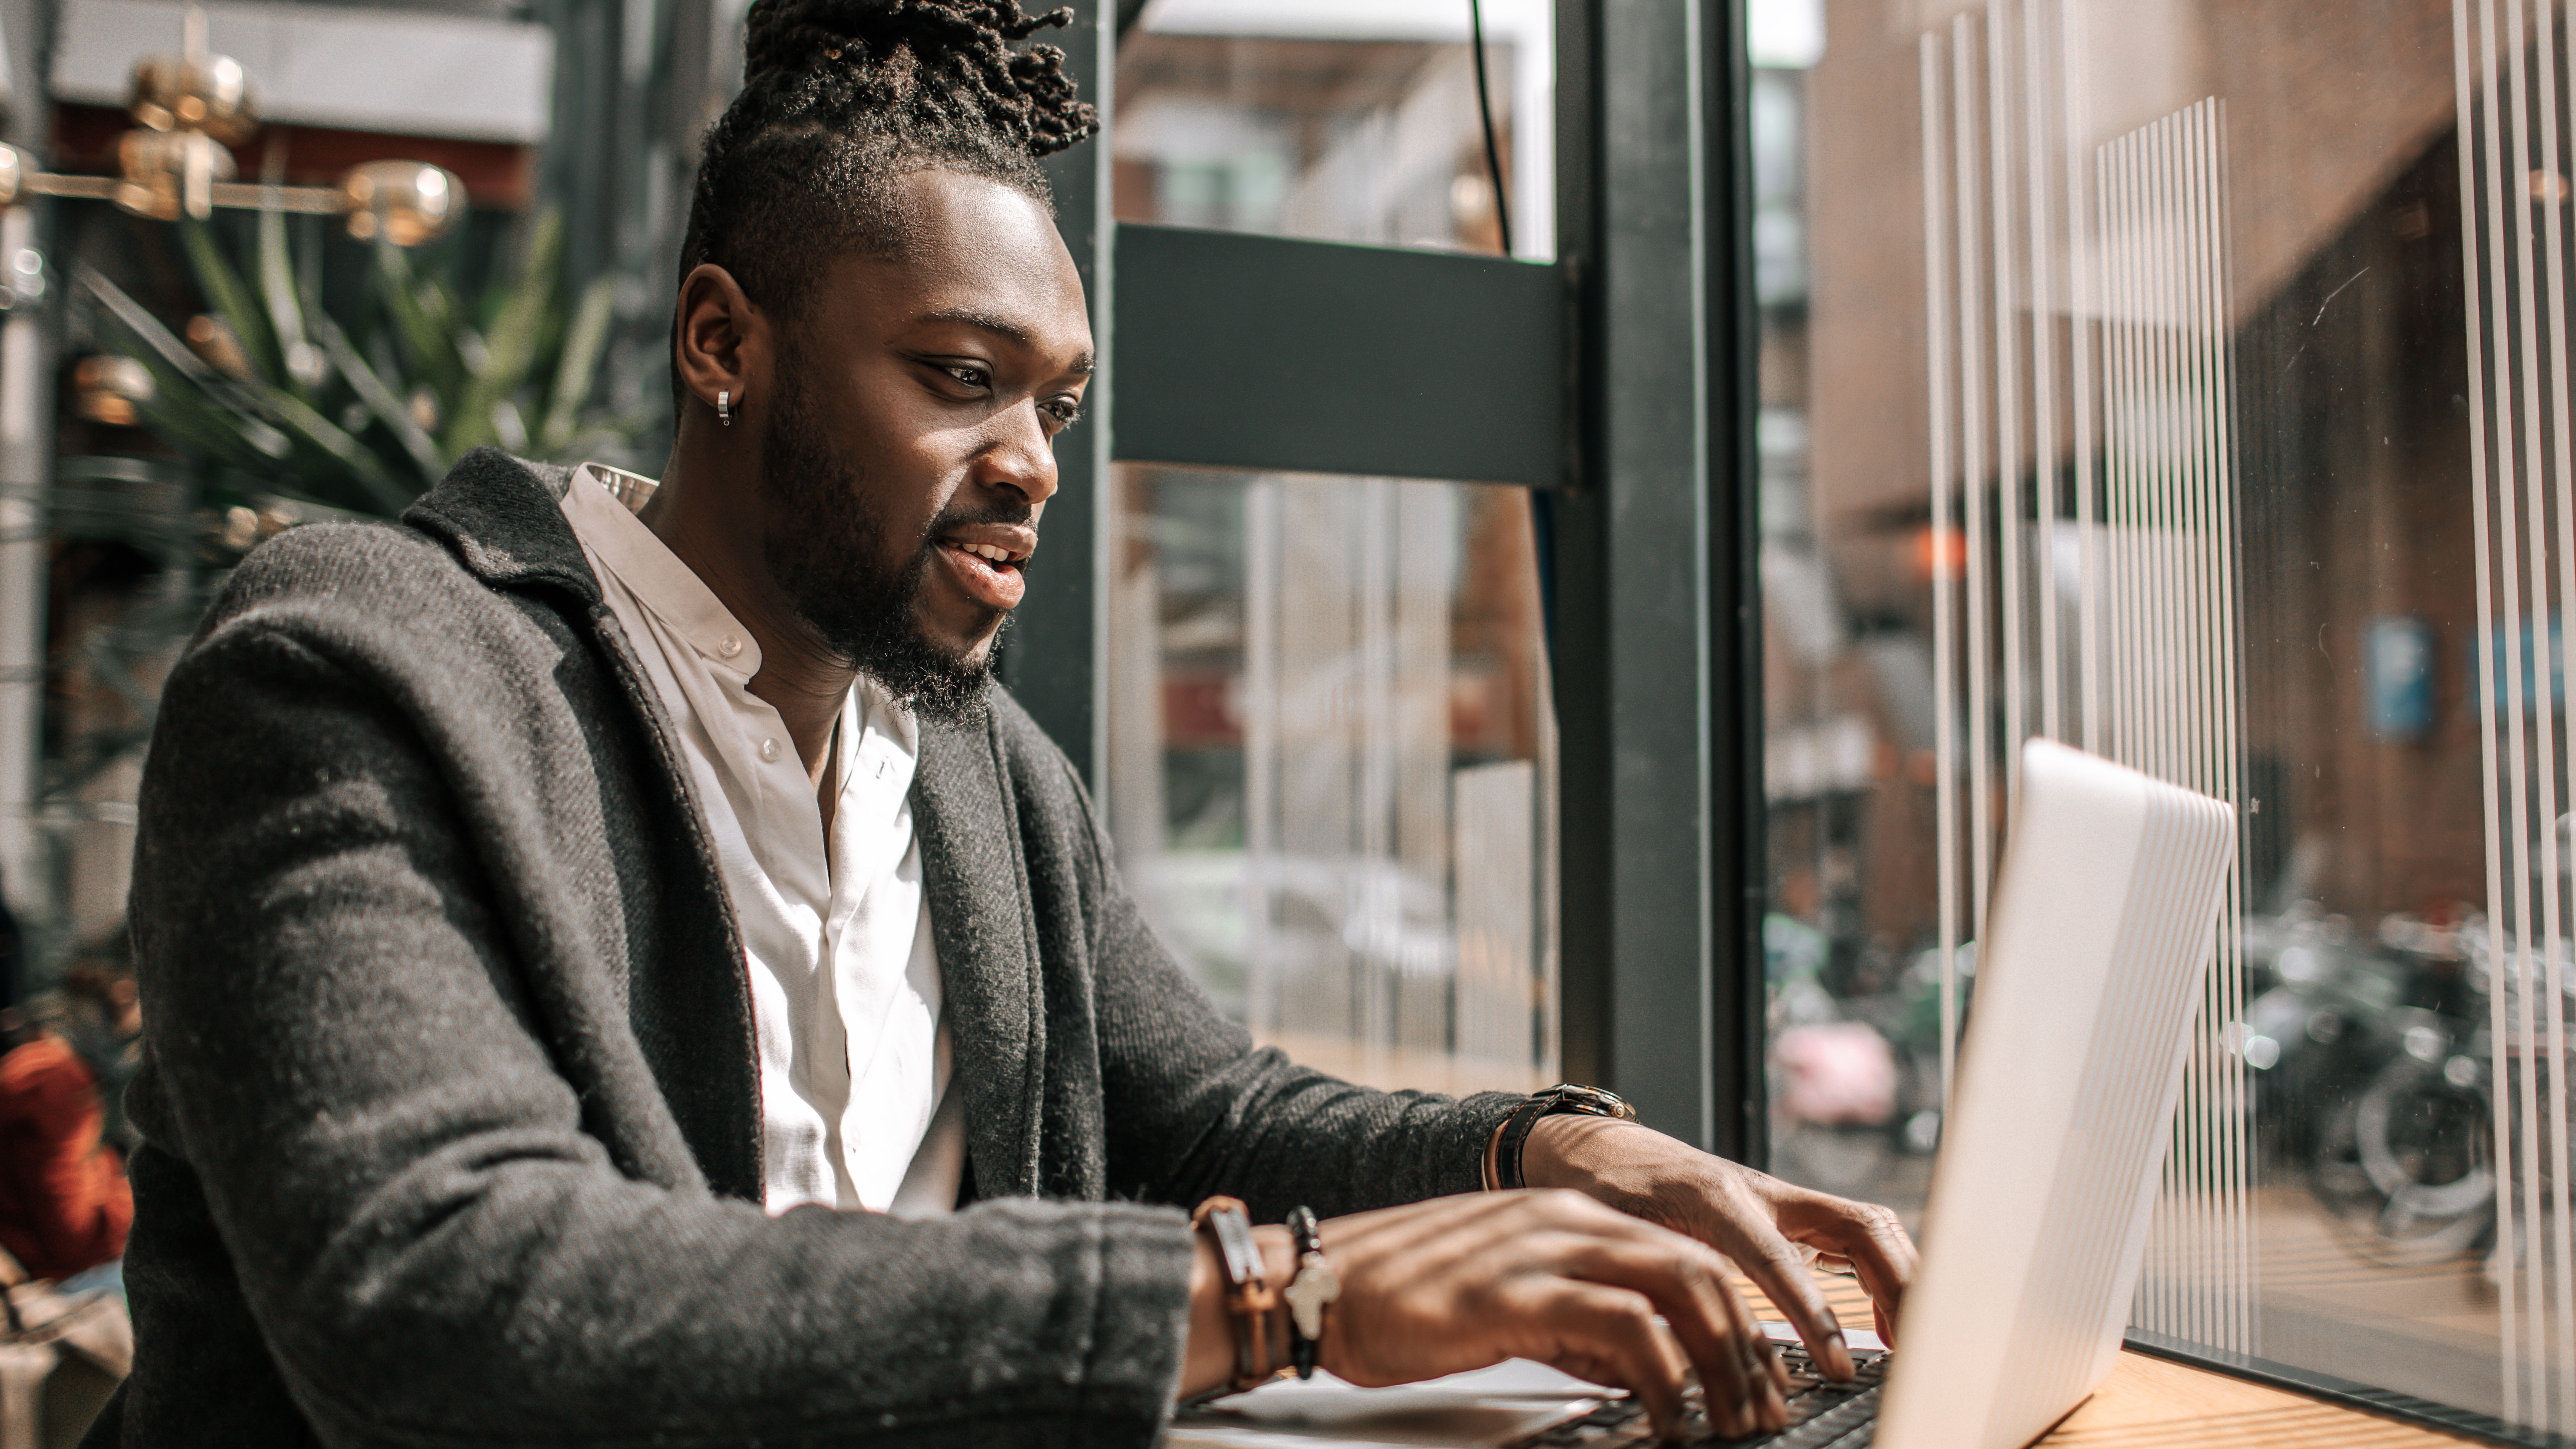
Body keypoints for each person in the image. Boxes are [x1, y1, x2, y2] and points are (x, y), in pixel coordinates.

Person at [97, 2, 1917, 1444]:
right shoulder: (358, 671)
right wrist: (1277, 1306)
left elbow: (1207, 1111)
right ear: (722, 345)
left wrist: (1547, 1151)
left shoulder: (969, 763)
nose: (1033, 464)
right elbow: (445, 1304)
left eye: (1055, 399)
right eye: (961, 380)